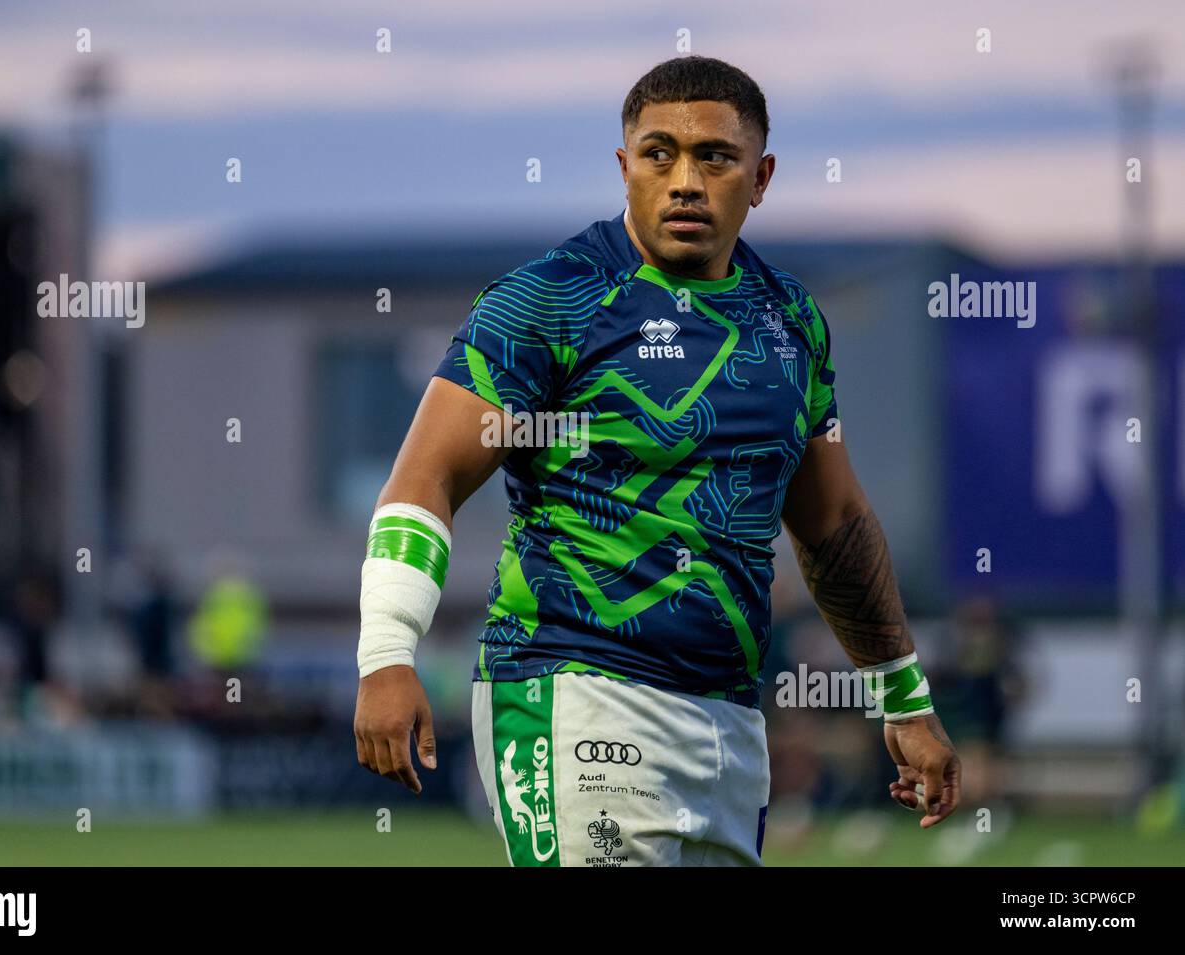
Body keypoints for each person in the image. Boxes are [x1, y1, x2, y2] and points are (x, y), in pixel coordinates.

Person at [354, 55, 960, 866]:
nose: (684, 180)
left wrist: (903, 699)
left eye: (714, 156)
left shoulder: (790, 321)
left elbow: (835, 524)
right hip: (572, 693)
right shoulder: (550, 300)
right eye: (658, 153)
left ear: (762, 176)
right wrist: (387, 652)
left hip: (729, 724)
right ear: (624, 166)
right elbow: (422, 478)